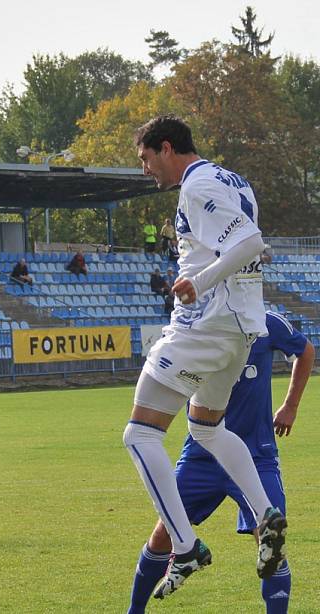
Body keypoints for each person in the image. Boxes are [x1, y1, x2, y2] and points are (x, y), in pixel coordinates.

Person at [124, 115, 286, 598]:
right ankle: (264, 513)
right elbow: (252, 245)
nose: (147, 170)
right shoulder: (235, 180)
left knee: (139, 434)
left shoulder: (199, 184)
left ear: (166, 147)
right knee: (207, 427)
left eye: (147, 159)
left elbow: (248, 242)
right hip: (239, 329)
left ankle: (185, 544)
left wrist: (200, 281)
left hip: (207, 324)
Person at [128, 311, 314, 613]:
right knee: (164, 533)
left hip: (257, 454)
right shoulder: (194, 327)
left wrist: (291, 405)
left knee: (271, 542)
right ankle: (134, 610)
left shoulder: (266, 323)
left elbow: (304, 350)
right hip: (201, 454)